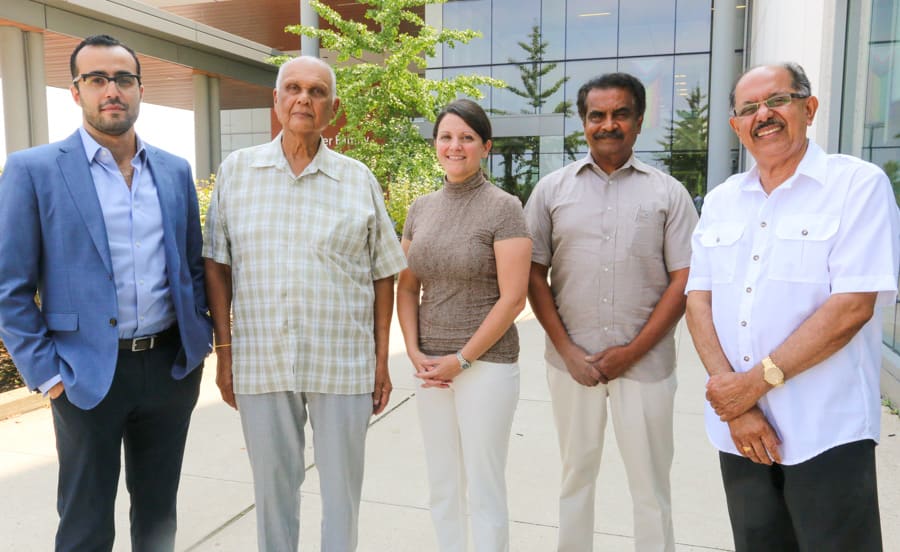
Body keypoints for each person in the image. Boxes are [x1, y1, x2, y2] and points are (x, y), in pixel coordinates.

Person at [0, 34, 211, 551]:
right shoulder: (34, 170)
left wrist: (198, 343)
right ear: (76, 92)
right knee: (86, 524)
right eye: (96, 79)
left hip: (169, 369)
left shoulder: (174, 170)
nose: (110, 90)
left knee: (159, 517)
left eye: (122, 78)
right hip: (83, 375)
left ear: (139, 88)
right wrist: (49, 376)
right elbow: (9, 288)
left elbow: (190, 266)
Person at [684, 62, 900, 552]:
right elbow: (699, 300)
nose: (764, 115)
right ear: (736, 125)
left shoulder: (857, 186)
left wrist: (749, 387)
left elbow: (852, 307)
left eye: (777, 100)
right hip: (739, 431)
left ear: (809, 108)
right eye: (749, 108)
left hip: (826, 428)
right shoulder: (721, 201)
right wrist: (733, 403)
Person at [202, 55, 407, 552]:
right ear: (275, 100)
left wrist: (381, 361)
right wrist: (225, 355)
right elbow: (216, 265)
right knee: (273, 490)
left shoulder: (357, 179)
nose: (303, 99)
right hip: (262, 361)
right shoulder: (238, 171)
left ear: (332, 109)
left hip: (343, 362)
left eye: (317, 92)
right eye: (292, 88)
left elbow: (384, 274)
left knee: (342, 492)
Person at [524, 73, 697, 552]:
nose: (608, 124)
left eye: (620, 114)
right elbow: (533, 275)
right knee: (575, 475)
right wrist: (568, 351)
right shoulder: (551, 191)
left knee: (650, 485)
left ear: (639, 122)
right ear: (583, 124)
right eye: (597, 115)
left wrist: (631, 352)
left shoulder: (669, 194)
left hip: (647, 367)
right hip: (569, 364)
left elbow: (685, 281)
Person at [396, 99, 532, 551]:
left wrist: (461, 359)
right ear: (436, 144)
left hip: (486, 366)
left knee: (484, 486)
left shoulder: (504, 207)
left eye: (467, 138)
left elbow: (513, 298)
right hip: (430, 368)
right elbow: (407, 285)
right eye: (446, 137)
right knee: (442, 484)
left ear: (485, 147)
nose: (455, 146)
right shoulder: (421, 207)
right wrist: (415, 351)